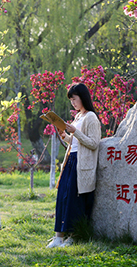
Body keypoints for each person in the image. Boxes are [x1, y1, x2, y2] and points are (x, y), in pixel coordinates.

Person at [46, 83, 101, 248]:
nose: (73, 103)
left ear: (82, 97)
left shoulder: (91, 117)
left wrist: (74, 132)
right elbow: (77, 142)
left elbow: (93, 143)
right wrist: (66, 136)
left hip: (81, 163)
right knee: (62, 197)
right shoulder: (78, 117)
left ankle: (73, 236)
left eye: (74, 99)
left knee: (73, 200)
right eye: (71, 100)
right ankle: (58, 236)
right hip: (70, 160)